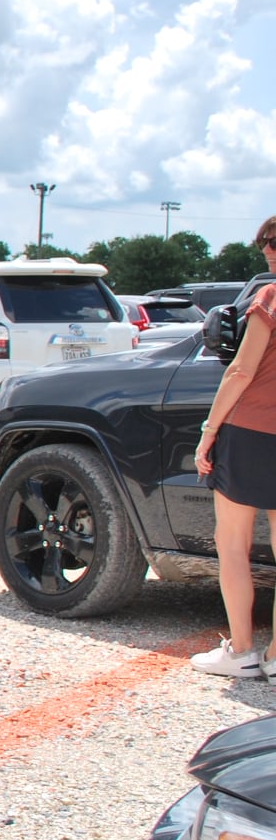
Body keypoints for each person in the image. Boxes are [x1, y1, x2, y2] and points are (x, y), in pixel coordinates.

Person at [192, 217, 276, 677]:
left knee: (233, 544)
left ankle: (242, 652)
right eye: (263, 240)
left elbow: (240, 371)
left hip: (251, 432)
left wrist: (209, 432)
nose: (267, 249)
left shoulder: (270, 297)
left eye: (274, 241)